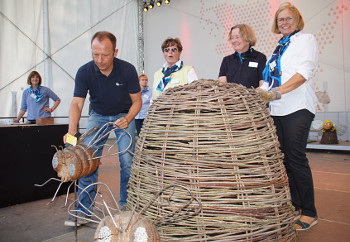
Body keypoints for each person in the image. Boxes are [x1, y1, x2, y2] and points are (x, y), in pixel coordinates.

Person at [64, 31, 142, 226]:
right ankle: (83, 211)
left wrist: (128, 118)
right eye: (95, 54)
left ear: (114, 52)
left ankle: (127, 207)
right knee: (87, 159)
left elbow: (137, 101)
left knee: (126, 159)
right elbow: (76, 103)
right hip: (98, 116)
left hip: (124, 114)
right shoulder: (84, 71)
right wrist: (72, 130)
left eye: (105, 55)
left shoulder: (127, 70)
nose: (99, 60)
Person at [259, 1, 319, 231]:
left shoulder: (306, 40)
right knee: (284, 161)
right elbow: (269, 79)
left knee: (296, 158)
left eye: (288, 18)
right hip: (278, 110)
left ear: (297, 20)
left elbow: (304, 72)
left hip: (298, 107)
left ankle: (310, 212)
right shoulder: (278, 47)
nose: (284, 22)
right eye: (280, 19)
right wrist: (259, 92)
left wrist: (276, 92)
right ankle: (294, 204)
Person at [218, 24, 266, 88]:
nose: (234, 41)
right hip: (232, 98)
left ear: (248, 39)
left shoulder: (260, 58)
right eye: (232, 38)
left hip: (253, 97)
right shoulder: (226, 60)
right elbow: (222, 86)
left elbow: (263, 85)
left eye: (237, 37)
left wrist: (249, 96)